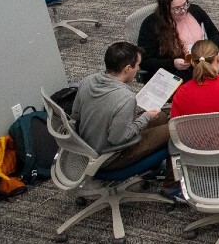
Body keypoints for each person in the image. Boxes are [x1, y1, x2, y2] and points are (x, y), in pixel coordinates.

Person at [72, 42, 169, 170]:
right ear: (128, 68)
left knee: (161, 116)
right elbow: (117, 139)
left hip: (89, 145)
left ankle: (152, 166)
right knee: (175, 130)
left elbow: (75, 114)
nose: (138, 69)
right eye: (138, 65)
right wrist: (145, 117)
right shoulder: (125, 98)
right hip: (109, 157)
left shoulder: (88, 80)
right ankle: (170, 184)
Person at [137, 0, 219, 82]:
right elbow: (145, 60)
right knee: (192, 86)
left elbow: (215, 35)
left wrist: (206, 50)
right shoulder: (151, 24)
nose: (183, 10)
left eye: (185, 5)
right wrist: (172, 63)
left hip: (205, 60)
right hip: (177, 68)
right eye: (177, 9)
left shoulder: (195, 11)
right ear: (165, 9)